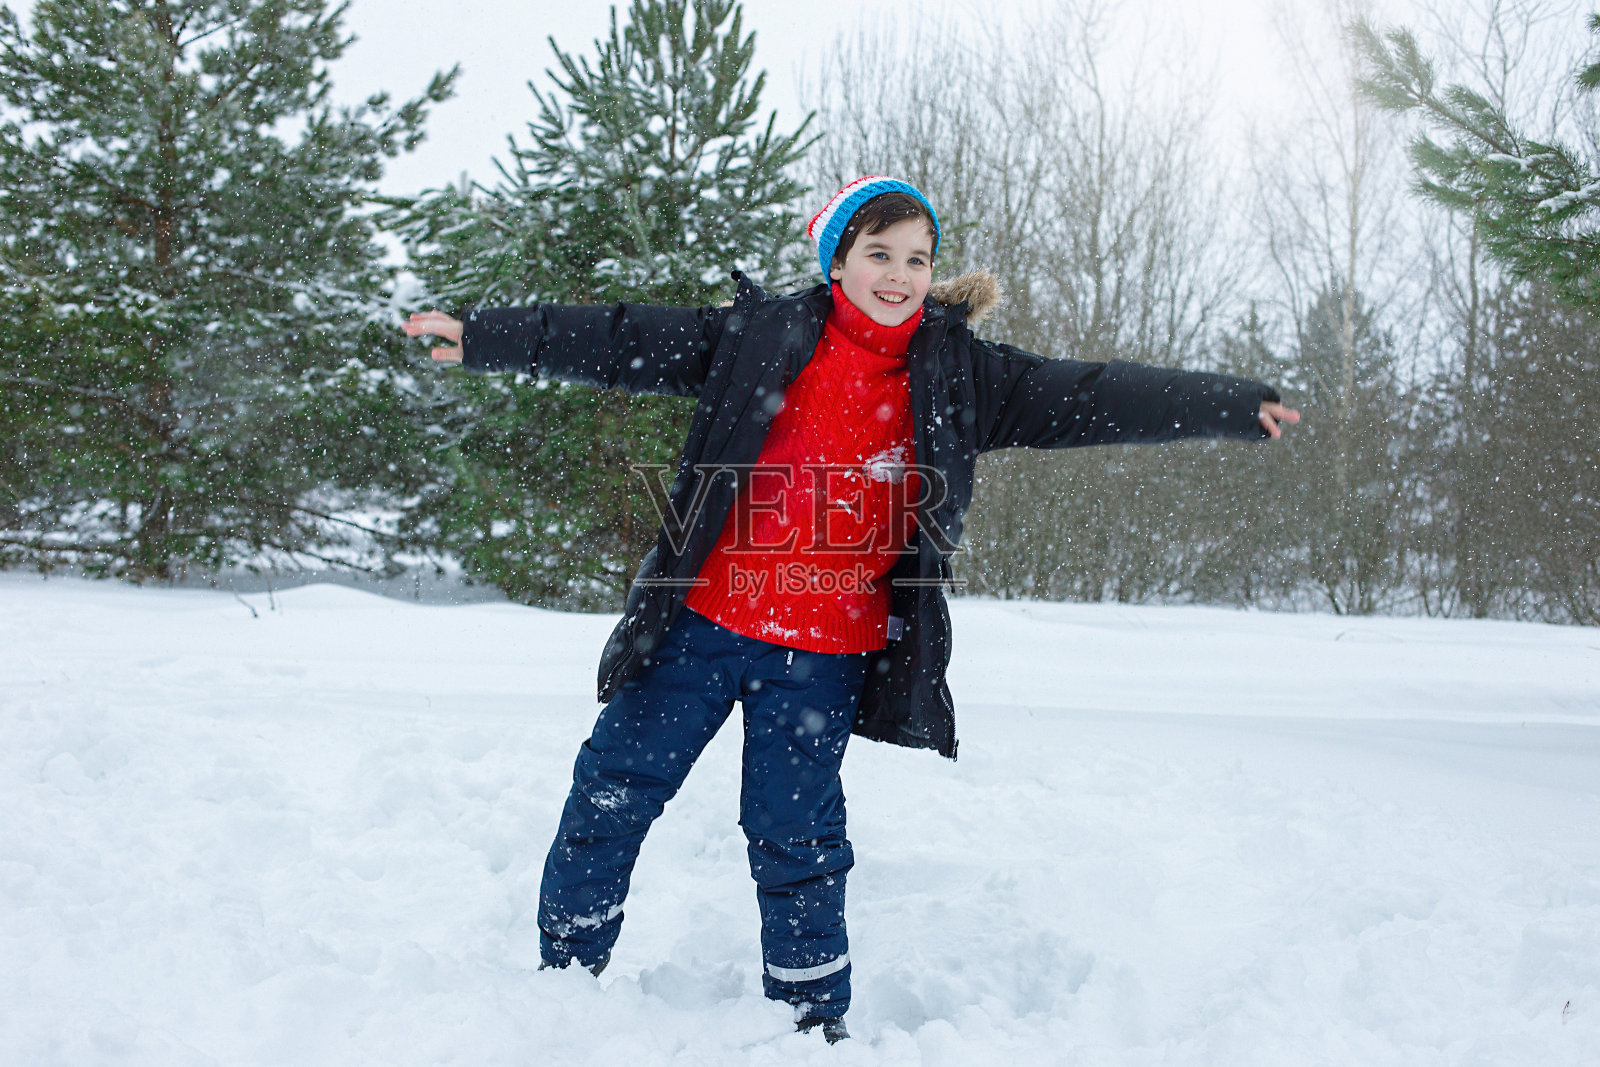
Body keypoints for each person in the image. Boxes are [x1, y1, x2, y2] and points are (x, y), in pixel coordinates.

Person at [403, 175, 1299, 1043]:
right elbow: (616, 336)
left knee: (797, 834)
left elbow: (1092, 394)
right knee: (611, 792)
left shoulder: (959, 374)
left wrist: (1228, 405)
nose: (900, 275)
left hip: (822, 654)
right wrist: (482, 336)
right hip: (701, 627)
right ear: (839, 260)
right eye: (881, 252)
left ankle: (808, 1017)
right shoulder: (758, 337)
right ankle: (563, 977)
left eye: (918, 257)